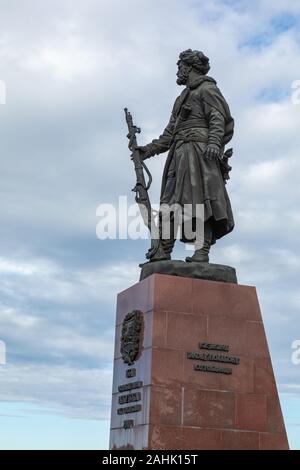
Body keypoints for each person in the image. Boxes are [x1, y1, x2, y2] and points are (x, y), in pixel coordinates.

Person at [138, 49, 235, 262]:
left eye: (180, 67)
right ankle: (164, 250)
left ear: (189, 67)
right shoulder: (181, 98)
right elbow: (169, 133)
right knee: (169, 203)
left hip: (200, 154)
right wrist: (148, 150)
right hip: (178, 155)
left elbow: (219, 119)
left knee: (200, 202)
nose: (178, 72)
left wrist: (213, 143)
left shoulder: (207, 89)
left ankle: (201, 252)